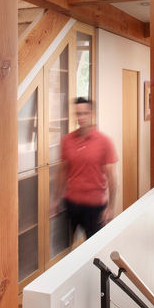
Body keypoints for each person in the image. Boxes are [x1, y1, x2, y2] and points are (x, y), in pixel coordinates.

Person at [52, 97, 118, 241]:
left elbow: (112, 177)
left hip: (95, 207)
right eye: (78, 114)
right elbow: (62, 172)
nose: (81, 118)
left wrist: (111, 207)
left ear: (92, 114)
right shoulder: (67, 140)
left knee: (94, 252)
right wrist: (56, 200)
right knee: (66, 249)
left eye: (84, 113)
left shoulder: (104, 142)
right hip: (71, 204)